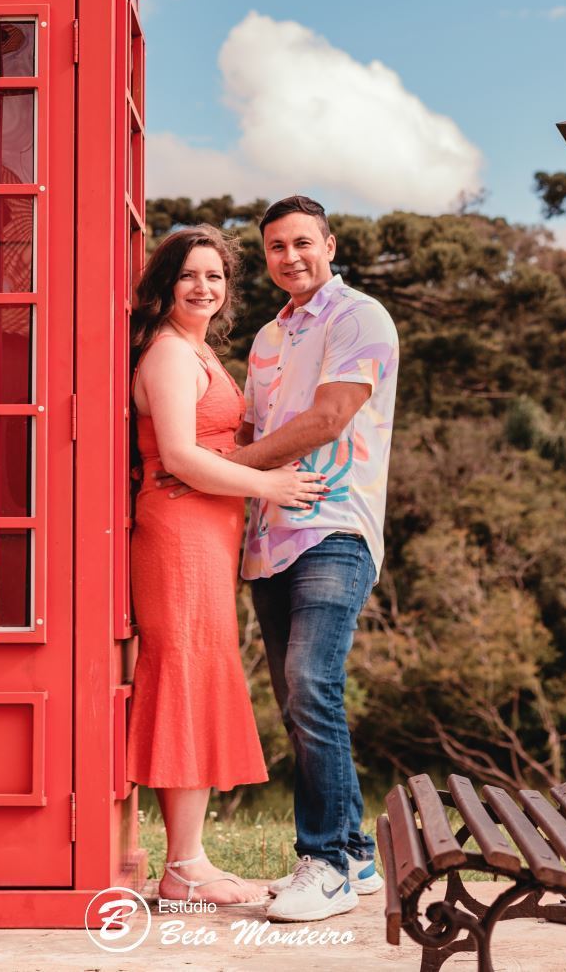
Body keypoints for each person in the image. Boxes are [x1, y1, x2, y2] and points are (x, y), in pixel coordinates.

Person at [193, 195, 399, 922]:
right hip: (267, 538)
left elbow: (327, 418)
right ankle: (357, 855)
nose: (291, 257)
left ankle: (328, 863)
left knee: (313, 681)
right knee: (295, 696)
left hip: (335, 528)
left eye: (302, 243)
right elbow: (248, 418)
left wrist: (223, 468)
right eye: (276, 247)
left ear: (330, 244)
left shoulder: (359, 319)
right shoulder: (266, 340)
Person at [126, 223, 327, 906]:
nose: (204, 287)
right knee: (182, 677)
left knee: (201, 676)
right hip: (179, 529)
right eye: (190, 275)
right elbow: (180, 455)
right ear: (166, 283)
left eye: (216, 277)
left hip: (207, 530)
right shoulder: (169, 356)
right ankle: (181, 865)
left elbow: (217, 439)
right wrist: (268, 484)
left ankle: (189, 859)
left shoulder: (198, 350)